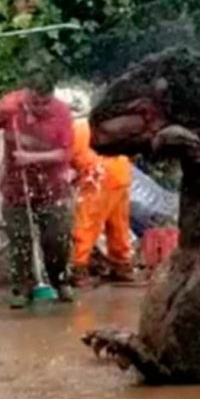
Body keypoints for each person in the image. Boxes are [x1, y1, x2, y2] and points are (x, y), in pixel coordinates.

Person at [0, 64, 74, 308]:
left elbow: (65, 153)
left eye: (45, 102)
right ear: (25, 93)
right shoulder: (10, 106)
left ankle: (59, 280)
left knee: (56, 239)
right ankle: (22, 287)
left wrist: (32, 158)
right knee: (20, 240)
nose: (39, 108)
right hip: (16, 186)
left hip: (53, 187)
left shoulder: (61, 112)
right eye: (35, 102)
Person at [61, 89, 135, 286]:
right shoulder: (96, 124)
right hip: (121, 172)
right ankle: (122, 265)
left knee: (87, 223)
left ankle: (77, 268)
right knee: (118, 224)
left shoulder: (72, 130)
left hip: (99, 177)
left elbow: (62, 160)